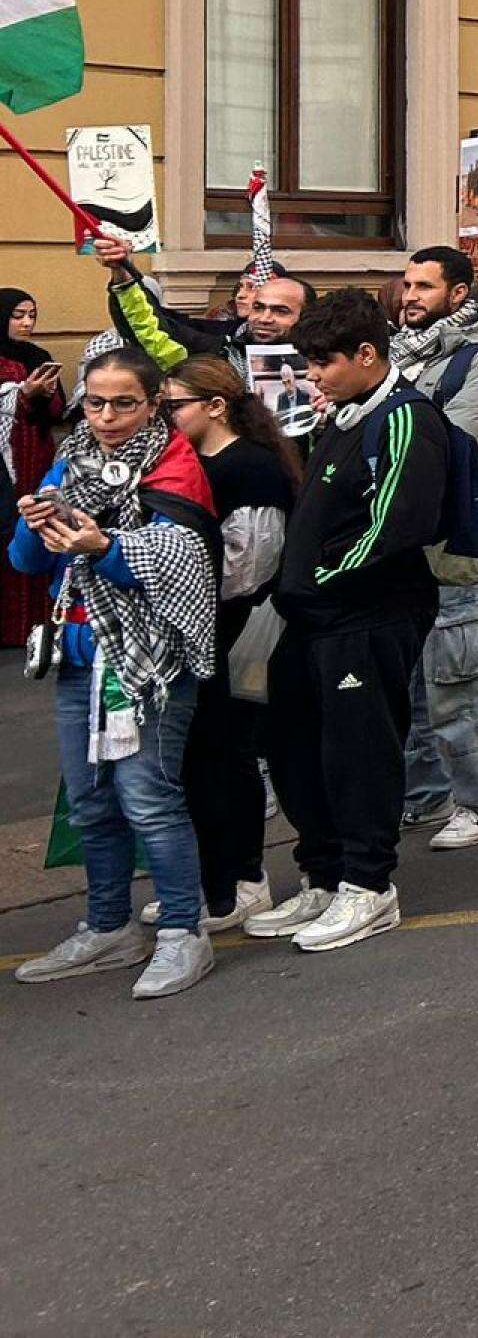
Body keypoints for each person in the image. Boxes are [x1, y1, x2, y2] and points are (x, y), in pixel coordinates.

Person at [245, 290, 456, 954]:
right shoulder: (343, 412)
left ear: (367, 354)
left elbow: (395, 528)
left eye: (323, 362)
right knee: (294, 743)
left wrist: (322, 584)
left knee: (359, 753)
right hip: (309, 618)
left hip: (366, 618)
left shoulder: (404, 420)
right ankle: (325, 872)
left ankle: (369, 887)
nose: (314, 376)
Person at [10, 349, 223, 996]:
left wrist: (102, 546)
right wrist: (35, 521)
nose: (107, 416)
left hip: (148, 663)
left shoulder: (175, 467)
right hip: (79, 656)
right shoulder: (70, 461)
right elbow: (26, 564)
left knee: (149, 802)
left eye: (124, 402)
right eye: (96, 402)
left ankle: (185, 933)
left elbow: (185, 570)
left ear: (154, 403)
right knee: (90, 803)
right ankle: (109, 928)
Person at [155, 356, 297, 933]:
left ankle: (244, 879)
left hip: (238, 631)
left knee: (228, 755)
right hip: (195, 628)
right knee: (195, 759)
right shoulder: (186, 463)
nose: (165, 418)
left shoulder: (252, 468)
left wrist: (179, 586)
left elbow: (248, 565)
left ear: (214, 406)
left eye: (173, 406)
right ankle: (209, 878)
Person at [389, 246, 478, 853]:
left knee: (459, 675)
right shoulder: (400, 356)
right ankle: (424, 795)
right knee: (411, 675)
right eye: (406, 285)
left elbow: (445, 447)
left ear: (459, 294)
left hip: (456, 540)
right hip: (400, 541)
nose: (409, 296)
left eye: (423, 287)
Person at [92, 230, 311, 377]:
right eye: (259, 307)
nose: (265, 318)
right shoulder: (220, 357)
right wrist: (121, 272)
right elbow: (152, 329)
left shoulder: (326, 367)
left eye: (280, 311)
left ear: (306, 316)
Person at [1, 286, 69, 648]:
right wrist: (21, 394)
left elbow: (56, 411)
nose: (26, 323)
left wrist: (43, 394)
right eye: (18, 315)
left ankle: (31, 626)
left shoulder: (38, 356)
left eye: (32, 315)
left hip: (34, 456)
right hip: (4, 462)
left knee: (34, 527)